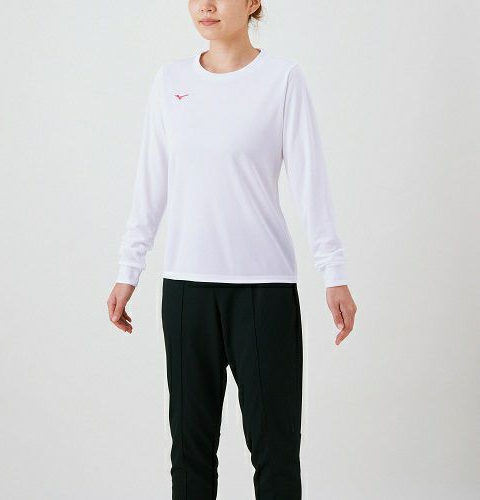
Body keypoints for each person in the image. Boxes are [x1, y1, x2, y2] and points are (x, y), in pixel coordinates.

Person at [107, 1, 357, 498]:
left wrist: (334, 273)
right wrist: (128, 268)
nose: (206, 6)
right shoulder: (170, 81)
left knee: (275, 451)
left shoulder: (282, 80)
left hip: (263, 289)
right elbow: (151, 183)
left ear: (252, 3)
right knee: (189, 452)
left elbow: (311, 183)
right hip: (187, 289)